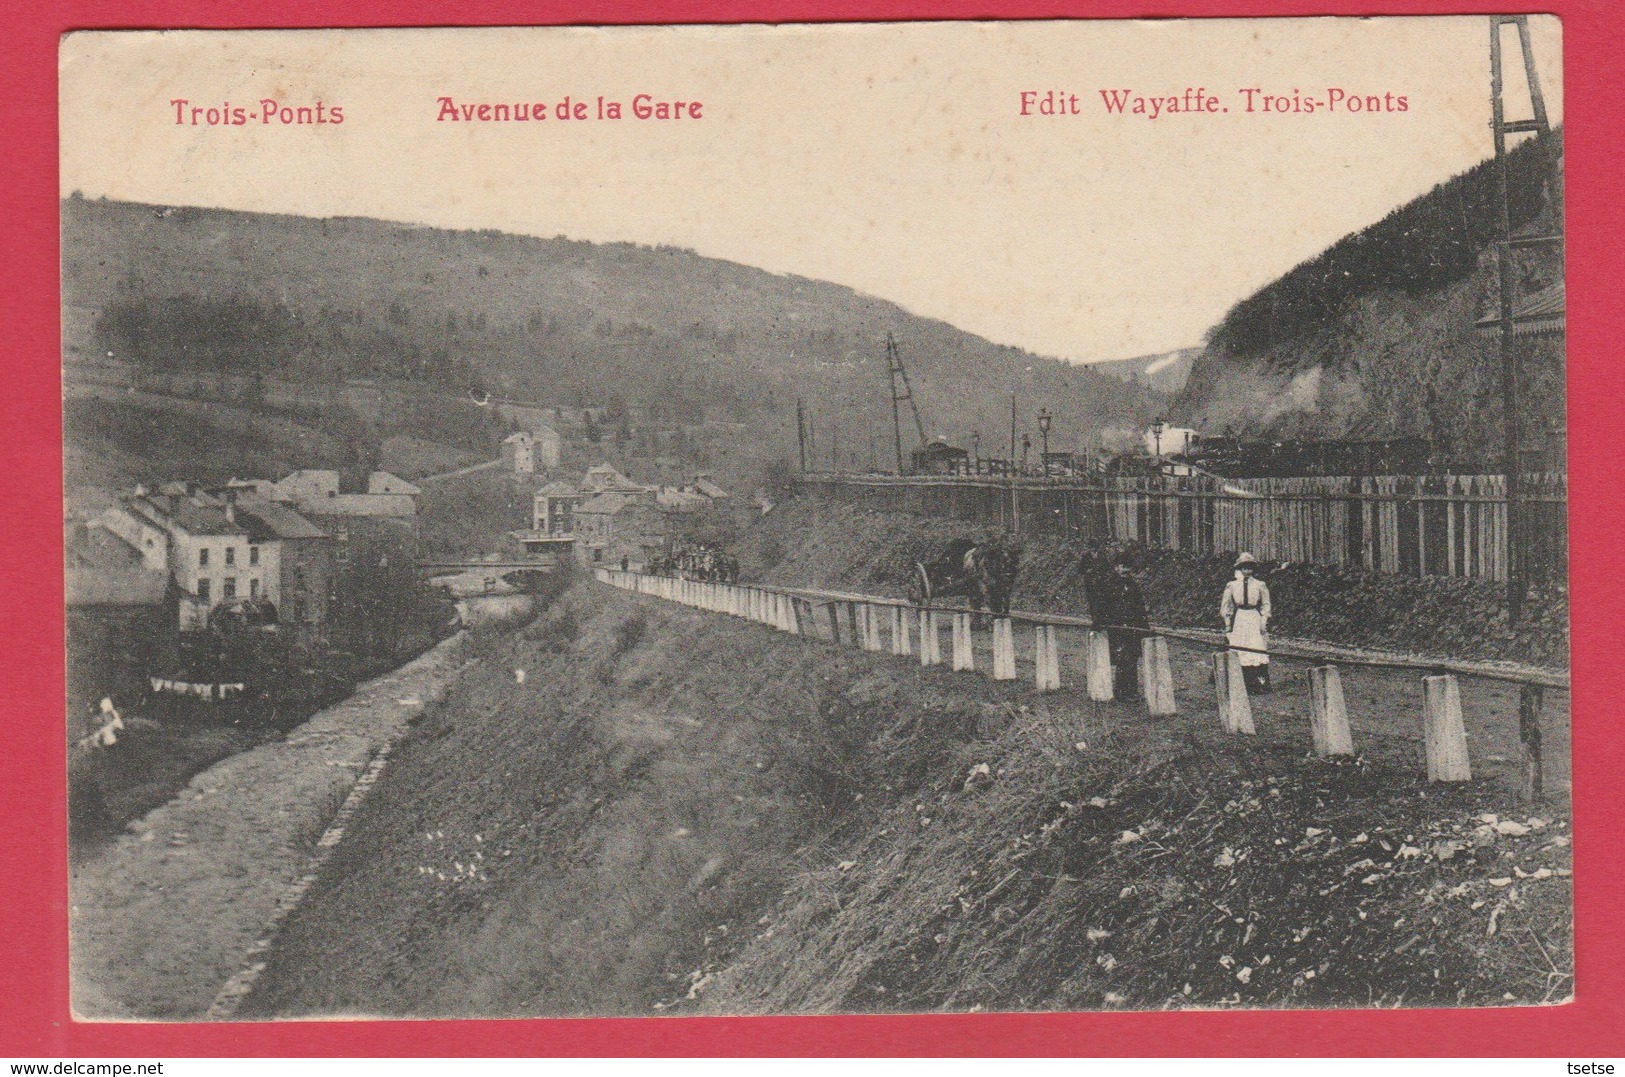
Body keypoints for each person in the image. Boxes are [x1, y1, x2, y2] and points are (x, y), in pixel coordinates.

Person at [1088, 552, 1150, 701]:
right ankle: (1122, 692)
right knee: (1122, 657)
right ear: (1116, 567)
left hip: (1132, 628)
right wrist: (1099, 622)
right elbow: (1099, 605)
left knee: (1132, 657)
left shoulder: (1133, 586)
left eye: (1128, 568)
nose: (1125, 571)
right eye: (1122, 567)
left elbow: (1140, 608)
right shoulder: (1108, 584)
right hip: (1115, 628)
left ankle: (1131, 691)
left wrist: (1145, 627)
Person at [1221, 552, 1272, 694]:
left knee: (1255, 646)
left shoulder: (1260, 585)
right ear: (1239, 569)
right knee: (1240, 646)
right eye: (1244, 568)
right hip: (1240, 618)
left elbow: (1266, 605)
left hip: (1254, 617)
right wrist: (1227, 623)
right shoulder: (1232, 585)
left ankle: (1258, 684)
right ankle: (1239, 682)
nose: (1247, 571)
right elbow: (1227, 605)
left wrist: (1263, 621)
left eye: (1250, 568)